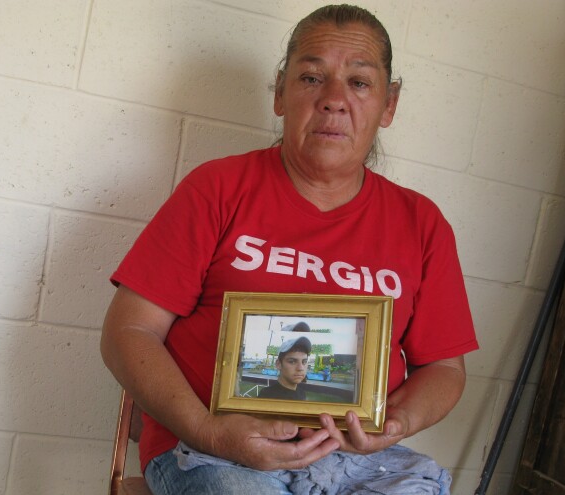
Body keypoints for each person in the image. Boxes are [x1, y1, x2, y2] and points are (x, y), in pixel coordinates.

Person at [101, 4, 478, 494]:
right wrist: (209, 429)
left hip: (357, 463)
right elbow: (127, 330)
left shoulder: (421, 222)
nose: (334, 100)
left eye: (360, 82)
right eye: (311, 78)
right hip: (209, 452)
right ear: (281, 93)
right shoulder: (218, 188)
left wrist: (397, 424)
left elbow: (444, 368)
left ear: (389, 104)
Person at [258, 336, 312, 401]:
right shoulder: (267, 396)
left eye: (304, 362)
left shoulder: (301, 393)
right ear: (278, 364)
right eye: (292, 362)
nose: (300, 368)